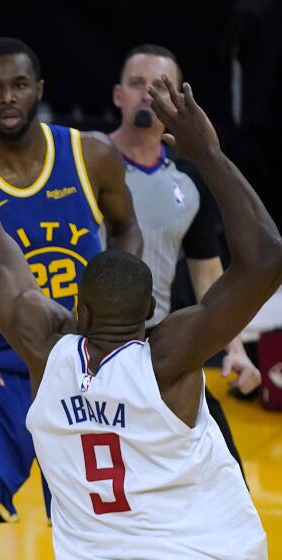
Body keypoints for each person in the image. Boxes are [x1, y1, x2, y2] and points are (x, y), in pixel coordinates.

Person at [0, 21, 273, 559]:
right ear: (152, 309)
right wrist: (209, 153)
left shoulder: (43, 336)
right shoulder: (172, 358)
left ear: (77, 305)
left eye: (20, 84)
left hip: (51, 369)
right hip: (8, 380)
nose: (8, 96)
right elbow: (265, 260)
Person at [0, 35, 142, 559]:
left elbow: (127, 231)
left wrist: (115, 303)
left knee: (95, 535)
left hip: (85, 373)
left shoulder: (92, 156)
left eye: (17, 85)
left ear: (39, 88)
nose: (6, 97)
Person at [108, 44, 261, 477]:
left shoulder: (190, 179)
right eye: (137, 84)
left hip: (164, 344)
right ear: (118, 95)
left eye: (160, 87)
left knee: (223, 469)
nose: (146, 95)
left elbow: (207, 271)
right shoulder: (86, 161)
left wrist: (235, 349)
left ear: (176, 101)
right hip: (96, 346)